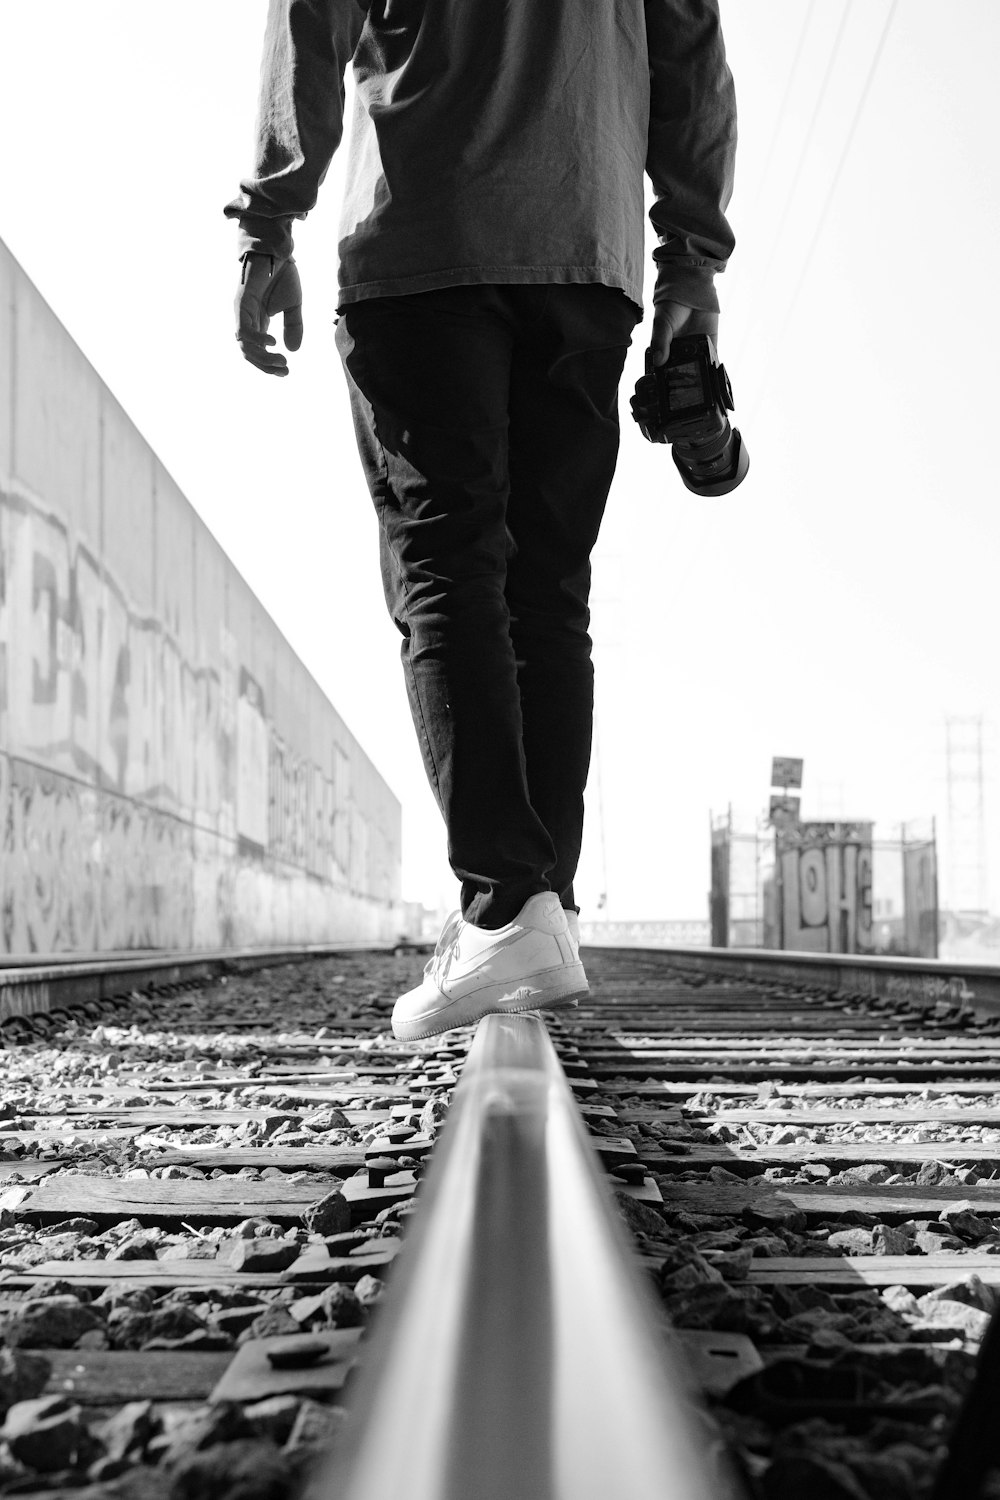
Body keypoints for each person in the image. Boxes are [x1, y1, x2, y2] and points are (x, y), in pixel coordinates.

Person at [226, 0, 736, 1042]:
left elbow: (308, 26)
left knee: (447, 568)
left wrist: (269, 223)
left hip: (422, 233)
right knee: (546, 591)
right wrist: (691, 263)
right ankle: (540, 899)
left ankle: (504, 903)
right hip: (582, 250)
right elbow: (690, 52)